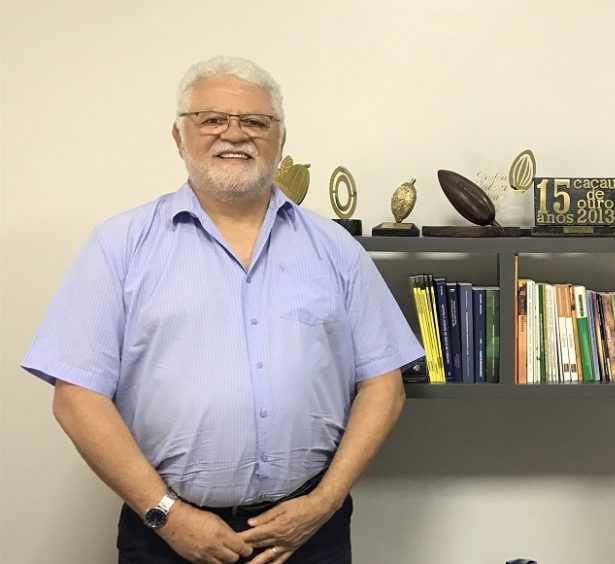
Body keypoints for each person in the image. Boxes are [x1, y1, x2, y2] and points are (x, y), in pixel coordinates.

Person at [21, 56, 424, 564]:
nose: (235, 134)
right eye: (212, 119)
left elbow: (384, 385)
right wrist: (169, 516)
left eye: (256, 121)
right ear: (179, 136)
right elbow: (76, 398)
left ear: (280, 139)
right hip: (165, 536)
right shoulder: (119, 246)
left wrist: (323, 502)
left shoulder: (335, 248)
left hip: (308, 534)